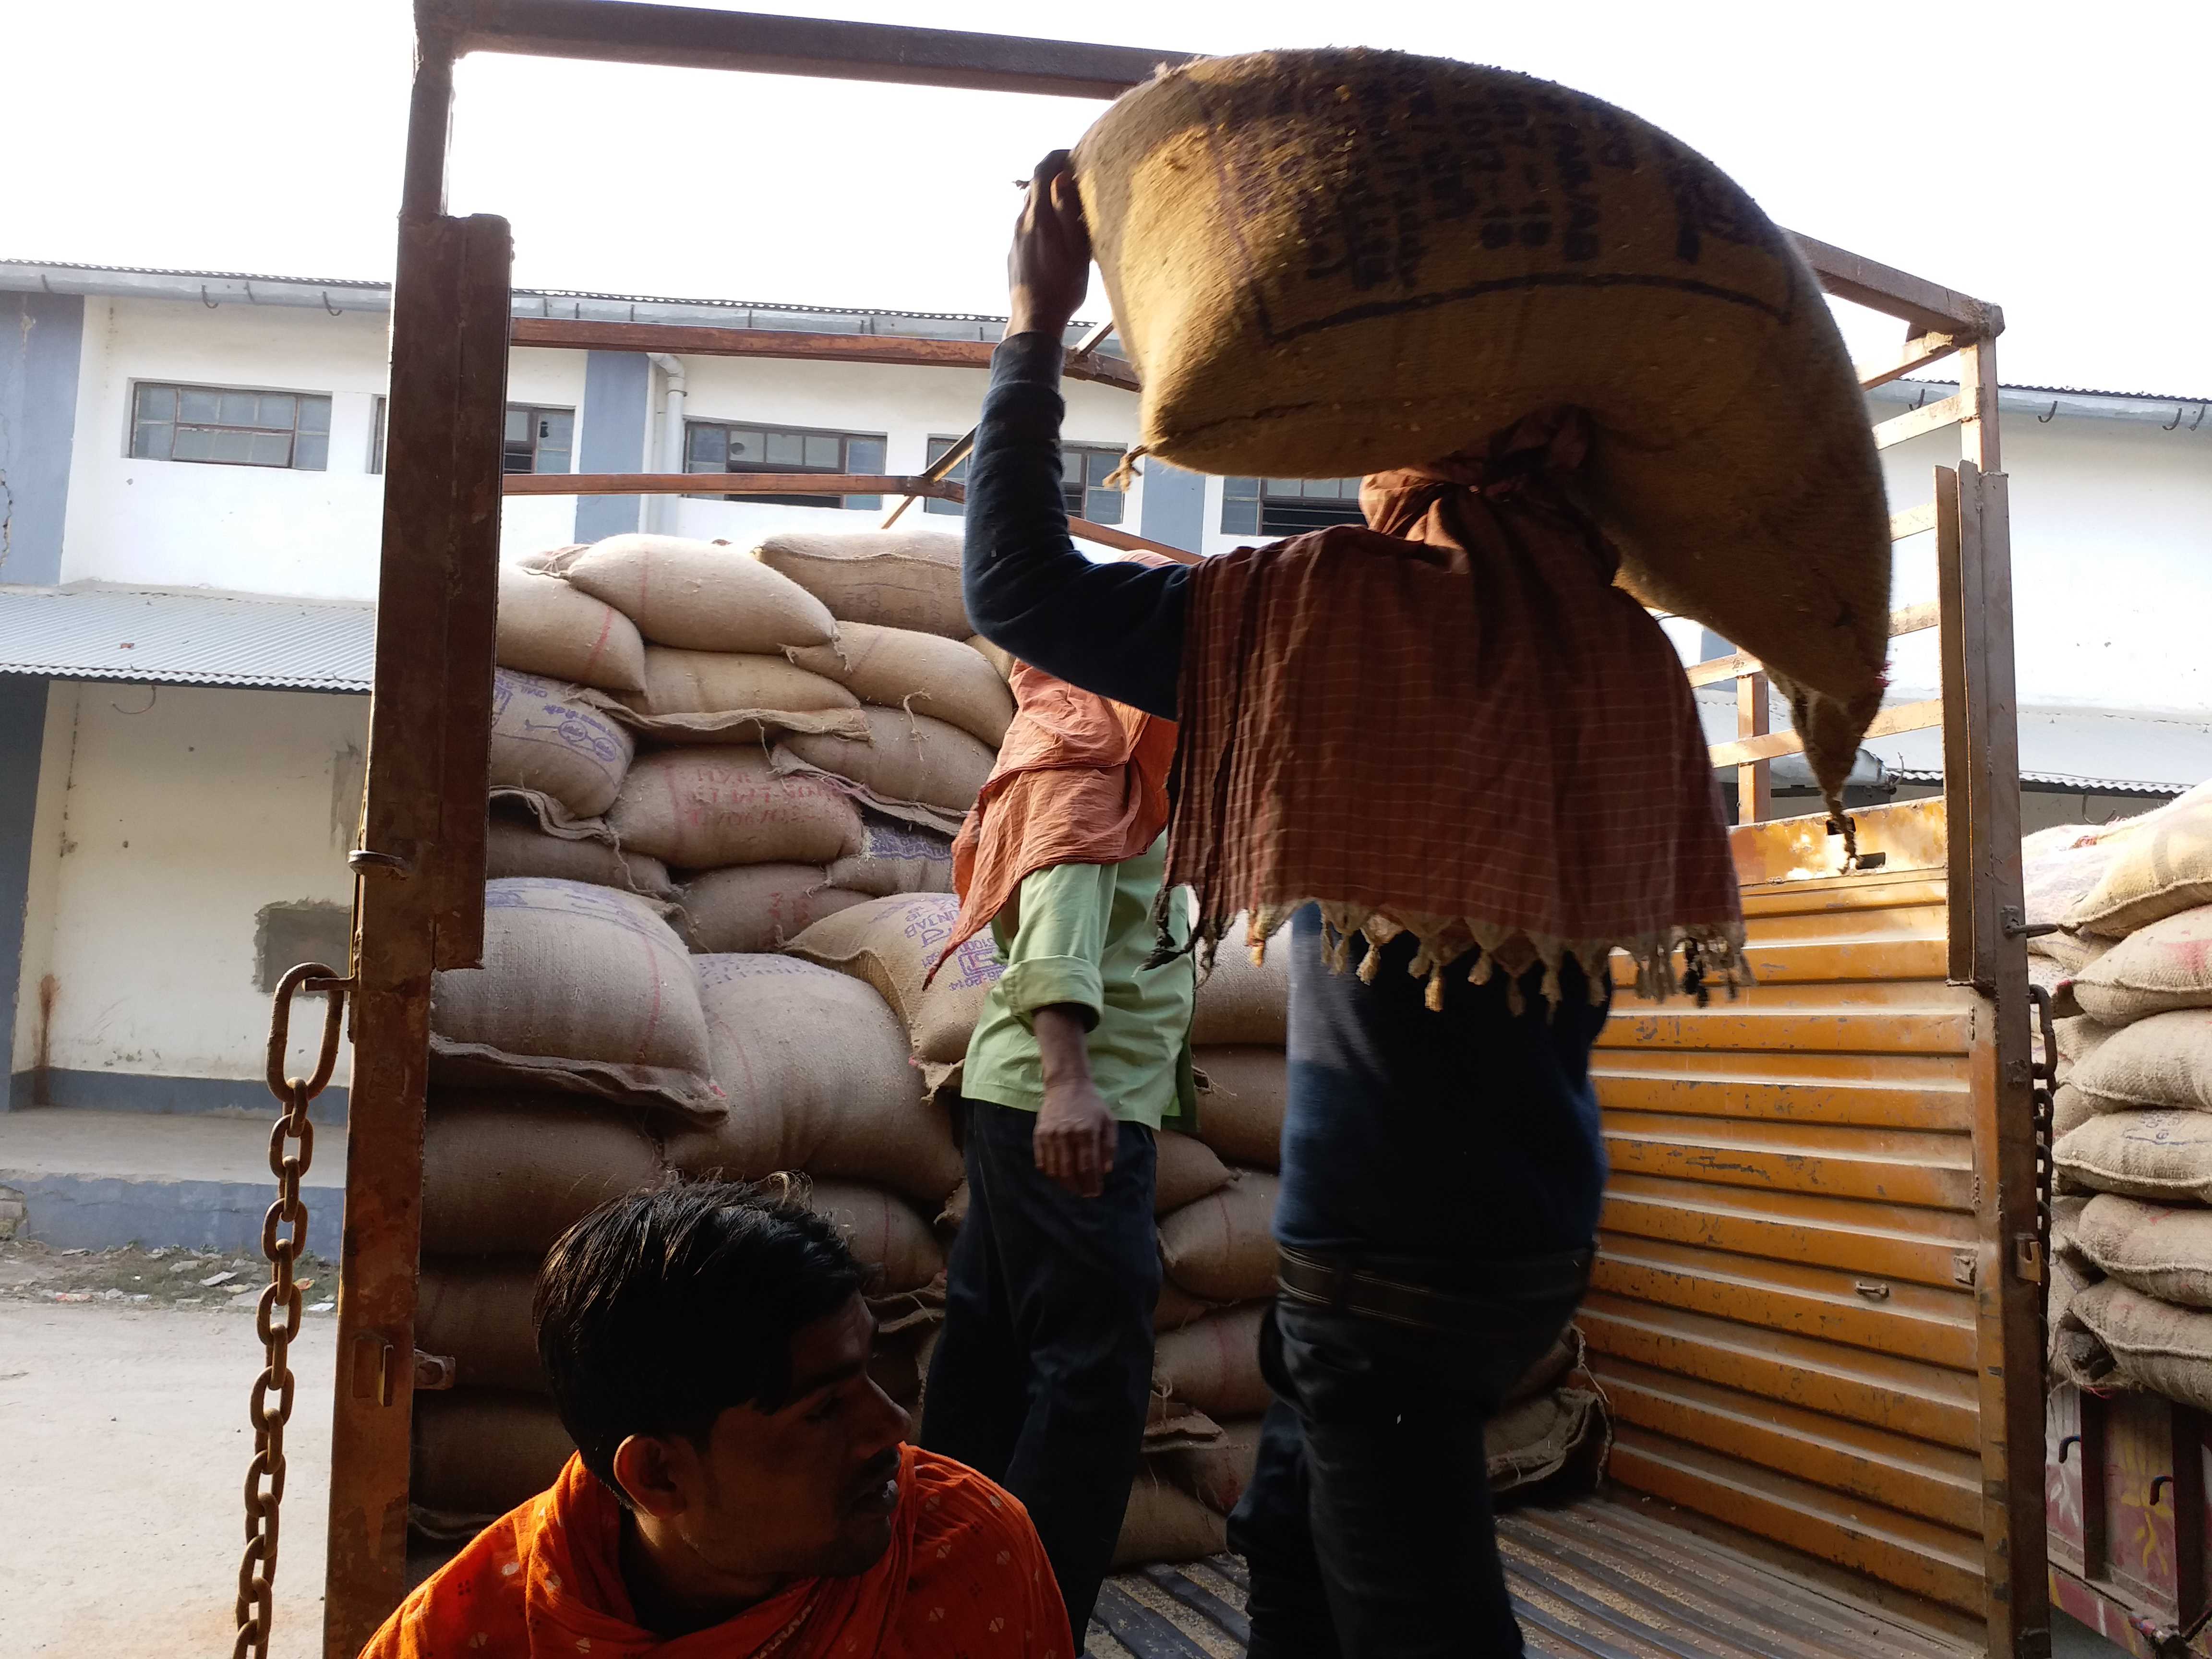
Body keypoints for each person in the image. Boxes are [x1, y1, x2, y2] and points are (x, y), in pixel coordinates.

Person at [958, 153, 1746, 1659]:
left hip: (1379, 1262)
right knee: (1292, 1541)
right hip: (1531, 1240)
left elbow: (1016, 588)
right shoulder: (1623, 658)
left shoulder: (1327, 616)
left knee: (1414, 1617)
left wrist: (1032, 324)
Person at [360, 1181, 1074, 1659]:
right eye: (823, 1409)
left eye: (869, 1375)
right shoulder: (471, 1633)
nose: (891, 1426)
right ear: (659, 1475)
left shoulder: (966, 1552)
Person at [920, 654, 1191, 1641]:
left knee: (987, 1354)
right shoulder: (1087, 761)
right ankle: (1024, 1624)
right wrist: (1073, 1084)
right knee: (1095, 1374)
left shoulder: (1126, 771)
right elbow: (1058, 933)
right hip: (1070, 1099)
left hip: (1038, 1094)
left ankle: (935, 1596)